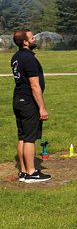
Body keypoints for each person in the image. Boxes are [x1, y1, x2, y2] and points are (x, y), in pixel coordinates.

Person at [10, 29, 51, 182]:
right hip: (28, 102)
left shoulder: (16, 57)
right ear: (25, 42)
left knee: (22, 137)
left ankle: (23, 171)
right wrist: (42, 107)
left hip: (18, 100)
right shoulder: (29, 59)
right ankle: (32, 172)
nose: (35, 39)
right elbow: (34, 85)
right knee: (29, 139)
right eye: (32, 37)